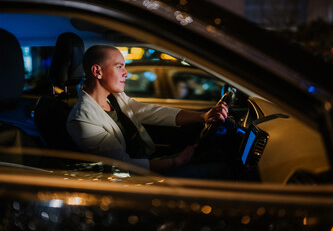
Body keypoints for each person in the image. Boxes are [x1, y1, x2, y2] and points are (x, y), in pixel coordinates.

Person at [67, 45, 228, 174]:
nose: (126, 74)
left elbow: (150, 111)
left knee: (217, 155)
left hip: (152, 162)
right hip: (138, 180)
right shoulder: (82, 118)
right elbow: (123, 166)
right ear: (97, 71)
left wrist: (202, 116)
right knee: (223, 171)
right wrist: (176, 162)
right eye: (119, 67)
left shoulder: (115, 97)